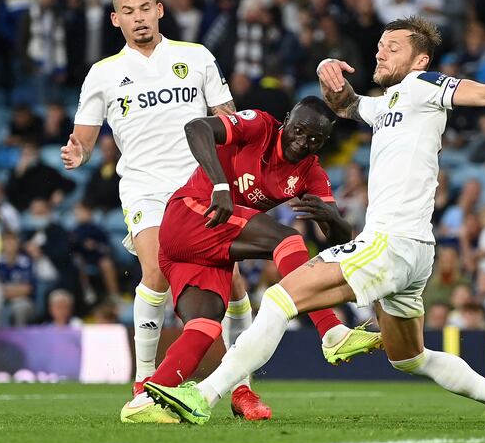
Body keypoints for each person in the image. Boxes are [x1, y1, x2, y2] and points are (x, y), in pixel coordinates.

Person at [145, 16, 485, 425]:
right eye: (379, 45)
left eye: (393, 47)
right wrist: (331, 78)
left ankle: (204, 395)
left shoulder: (425, 87)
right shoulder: (386, 105)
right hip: (414, 251)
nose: (380, 51)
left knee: (279, 301)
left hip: (389, 243)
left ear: (419, 60)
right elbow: (349, 106)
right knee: (411, 358)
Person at [61, 0, 355, 423]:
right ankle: (144, 379)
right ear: (114, 19)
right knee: (155, 272)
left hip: (202, 178)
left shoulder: (195, 56)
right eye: (127, 11)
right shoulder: (102, 73)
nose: (138, 17)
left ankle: (241, 389)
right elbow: (84, 134)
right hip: (145, 187)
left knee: (235, 287)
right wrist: (76, 150)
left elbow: (225, 115)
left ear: (159, 10)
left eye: (145, 8)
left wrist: (233, 170)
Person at [122, 98, 380, 423]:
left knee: (204, 327)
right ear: (286, 119)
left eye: (315, 139)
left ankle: (145, 399)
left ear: (324, 143)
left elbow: (339, 242)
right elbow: (197, 127)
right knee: (288, 241)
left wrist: (336, 219)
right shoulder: (259, 124)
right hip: (192, 214)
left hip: (212, 248)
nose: (303, 142)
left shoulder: (311, 173)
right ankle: (330, 330)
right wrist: (219, 184)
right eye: (298, 130)